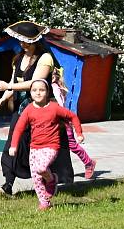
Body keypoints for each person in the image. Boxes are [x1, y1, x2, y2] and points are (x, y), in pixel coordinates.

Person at [0, 20, 74, 197]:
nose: (21, 44)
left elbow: (35, 83)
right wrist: (3, 97)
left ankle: (49, 179)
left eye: (25, 41)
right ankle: (8, 183)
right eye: (20, 40)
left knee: (41, 146)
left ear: (34, 40)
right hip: (21, 110)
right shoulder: (18, 57)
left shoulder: (45, 57)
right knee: (12, 143)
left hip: (40, 109)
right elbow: (14, 83)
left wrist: (8, 86)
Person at [9, 79, 84, 210]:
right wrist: (13, 145)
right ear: (30, 93)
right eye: (34, 90)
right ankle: (44, 202)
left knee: (41, 168)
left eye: (42, 90)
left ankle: (51, 180)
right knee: (36, 177)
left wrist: (79, 133)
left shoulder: (54, 108)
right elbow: (18, 128)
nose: (38, 93)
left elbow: (73, 116)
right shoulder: (28, 110)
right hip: (34, 148)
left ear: (48, 92)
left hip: (51, 146)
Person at [51, 68, 97, 179]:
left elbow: (61, 105)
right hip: (57, 121)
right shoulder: (54, 87)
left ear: (55, 77)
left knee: (72, 145)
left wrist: (79, 133)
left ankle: (89, 162)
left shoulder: (54, 87)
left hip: (62, 121)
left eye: (52, 75)